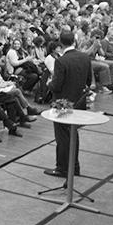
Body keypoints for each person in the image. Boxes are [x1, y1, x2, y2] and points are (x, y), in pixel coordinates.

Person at [45, 31, 92, 178]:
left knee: (62, 137)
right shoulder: (85, 57)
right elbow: (89, 81)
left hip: (63, 104)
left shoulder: (61, 61)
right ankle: (74, 167)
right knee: (73, 135)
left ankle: (62, 168)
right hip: (79, 102)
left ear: (60, 42)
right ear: (74, 41)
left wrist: (49, 84)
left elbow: (57, 86)